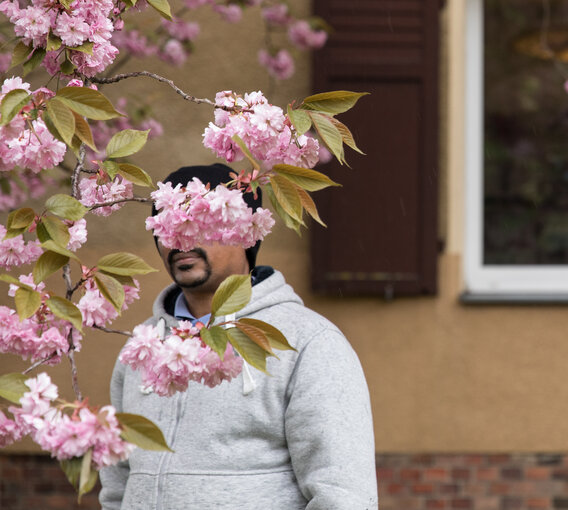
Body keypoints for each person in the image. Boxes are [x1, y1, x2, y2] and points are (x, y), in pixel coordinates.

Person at [99, 164, 378, 510]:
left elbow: (343, 495)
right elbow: (116, 486)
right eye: (169, 224)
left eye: (200, 222)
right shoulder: (141, 347)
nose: (181, 239)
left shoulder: (309, 342)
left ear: (247, 233)